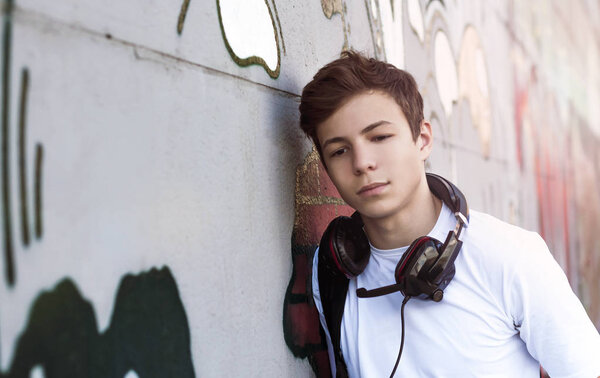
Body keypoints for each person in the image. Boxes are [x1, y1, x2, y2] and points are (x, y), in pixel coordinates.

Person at [298, 50, 600, 377]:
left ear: (423, 139)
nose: (362, 162)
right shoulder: (330, 272)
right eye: (340, 151)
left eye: (380, 137)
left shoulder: (510, 256)